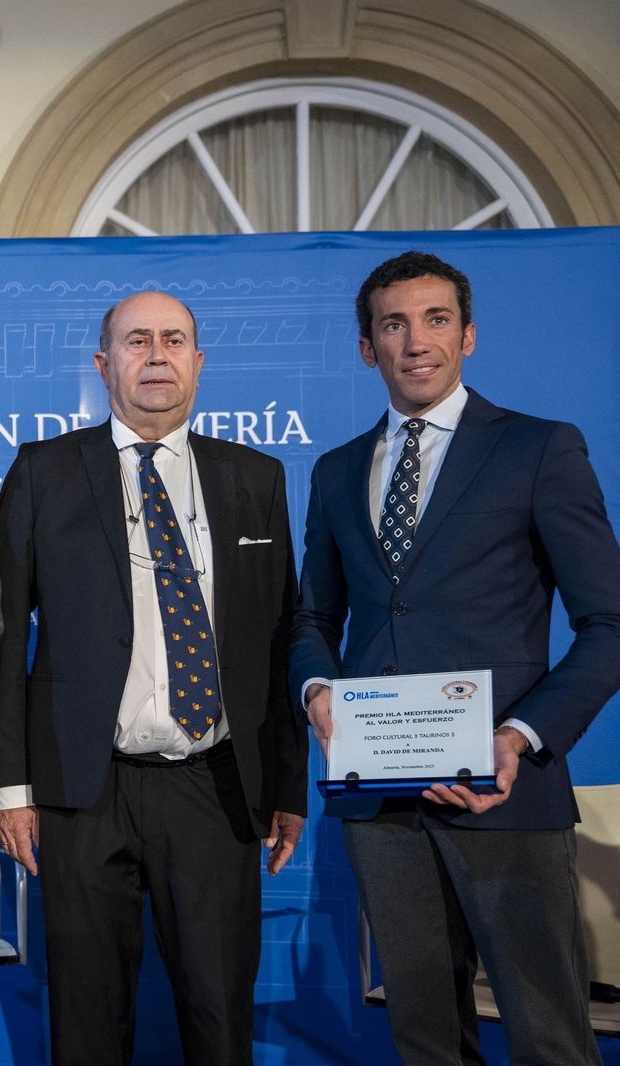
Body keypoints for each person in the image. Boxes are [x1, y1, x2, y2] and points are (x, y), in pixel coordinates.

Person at [291, 250, 620, 1066]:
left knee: (549, 1036)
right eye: (393, 324)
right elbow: (311, 617)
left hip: (504, 798)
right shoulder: (335, 473)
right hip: (380, 803)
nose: (416, 342)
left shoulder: (539, 450)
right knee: (425, 1037)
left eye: (436, 320)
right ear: (368, 347)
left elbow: (610, 623)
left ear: (468, 335)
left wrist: (518, 738)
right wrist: (317, 691)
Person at [0, 290, 306, 1064]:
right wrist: (12, 788)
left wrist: (289, 787)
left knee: (220, 1015)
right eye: (136, 340)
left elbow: (281, 636)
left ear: (198, 362)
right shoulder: (44, 471)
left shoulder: (256, 477)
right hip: (80, 790)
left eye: (174, 340)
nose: (156, 354)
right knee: (88, 1025)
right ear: (104, 364)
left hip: (216, 785)